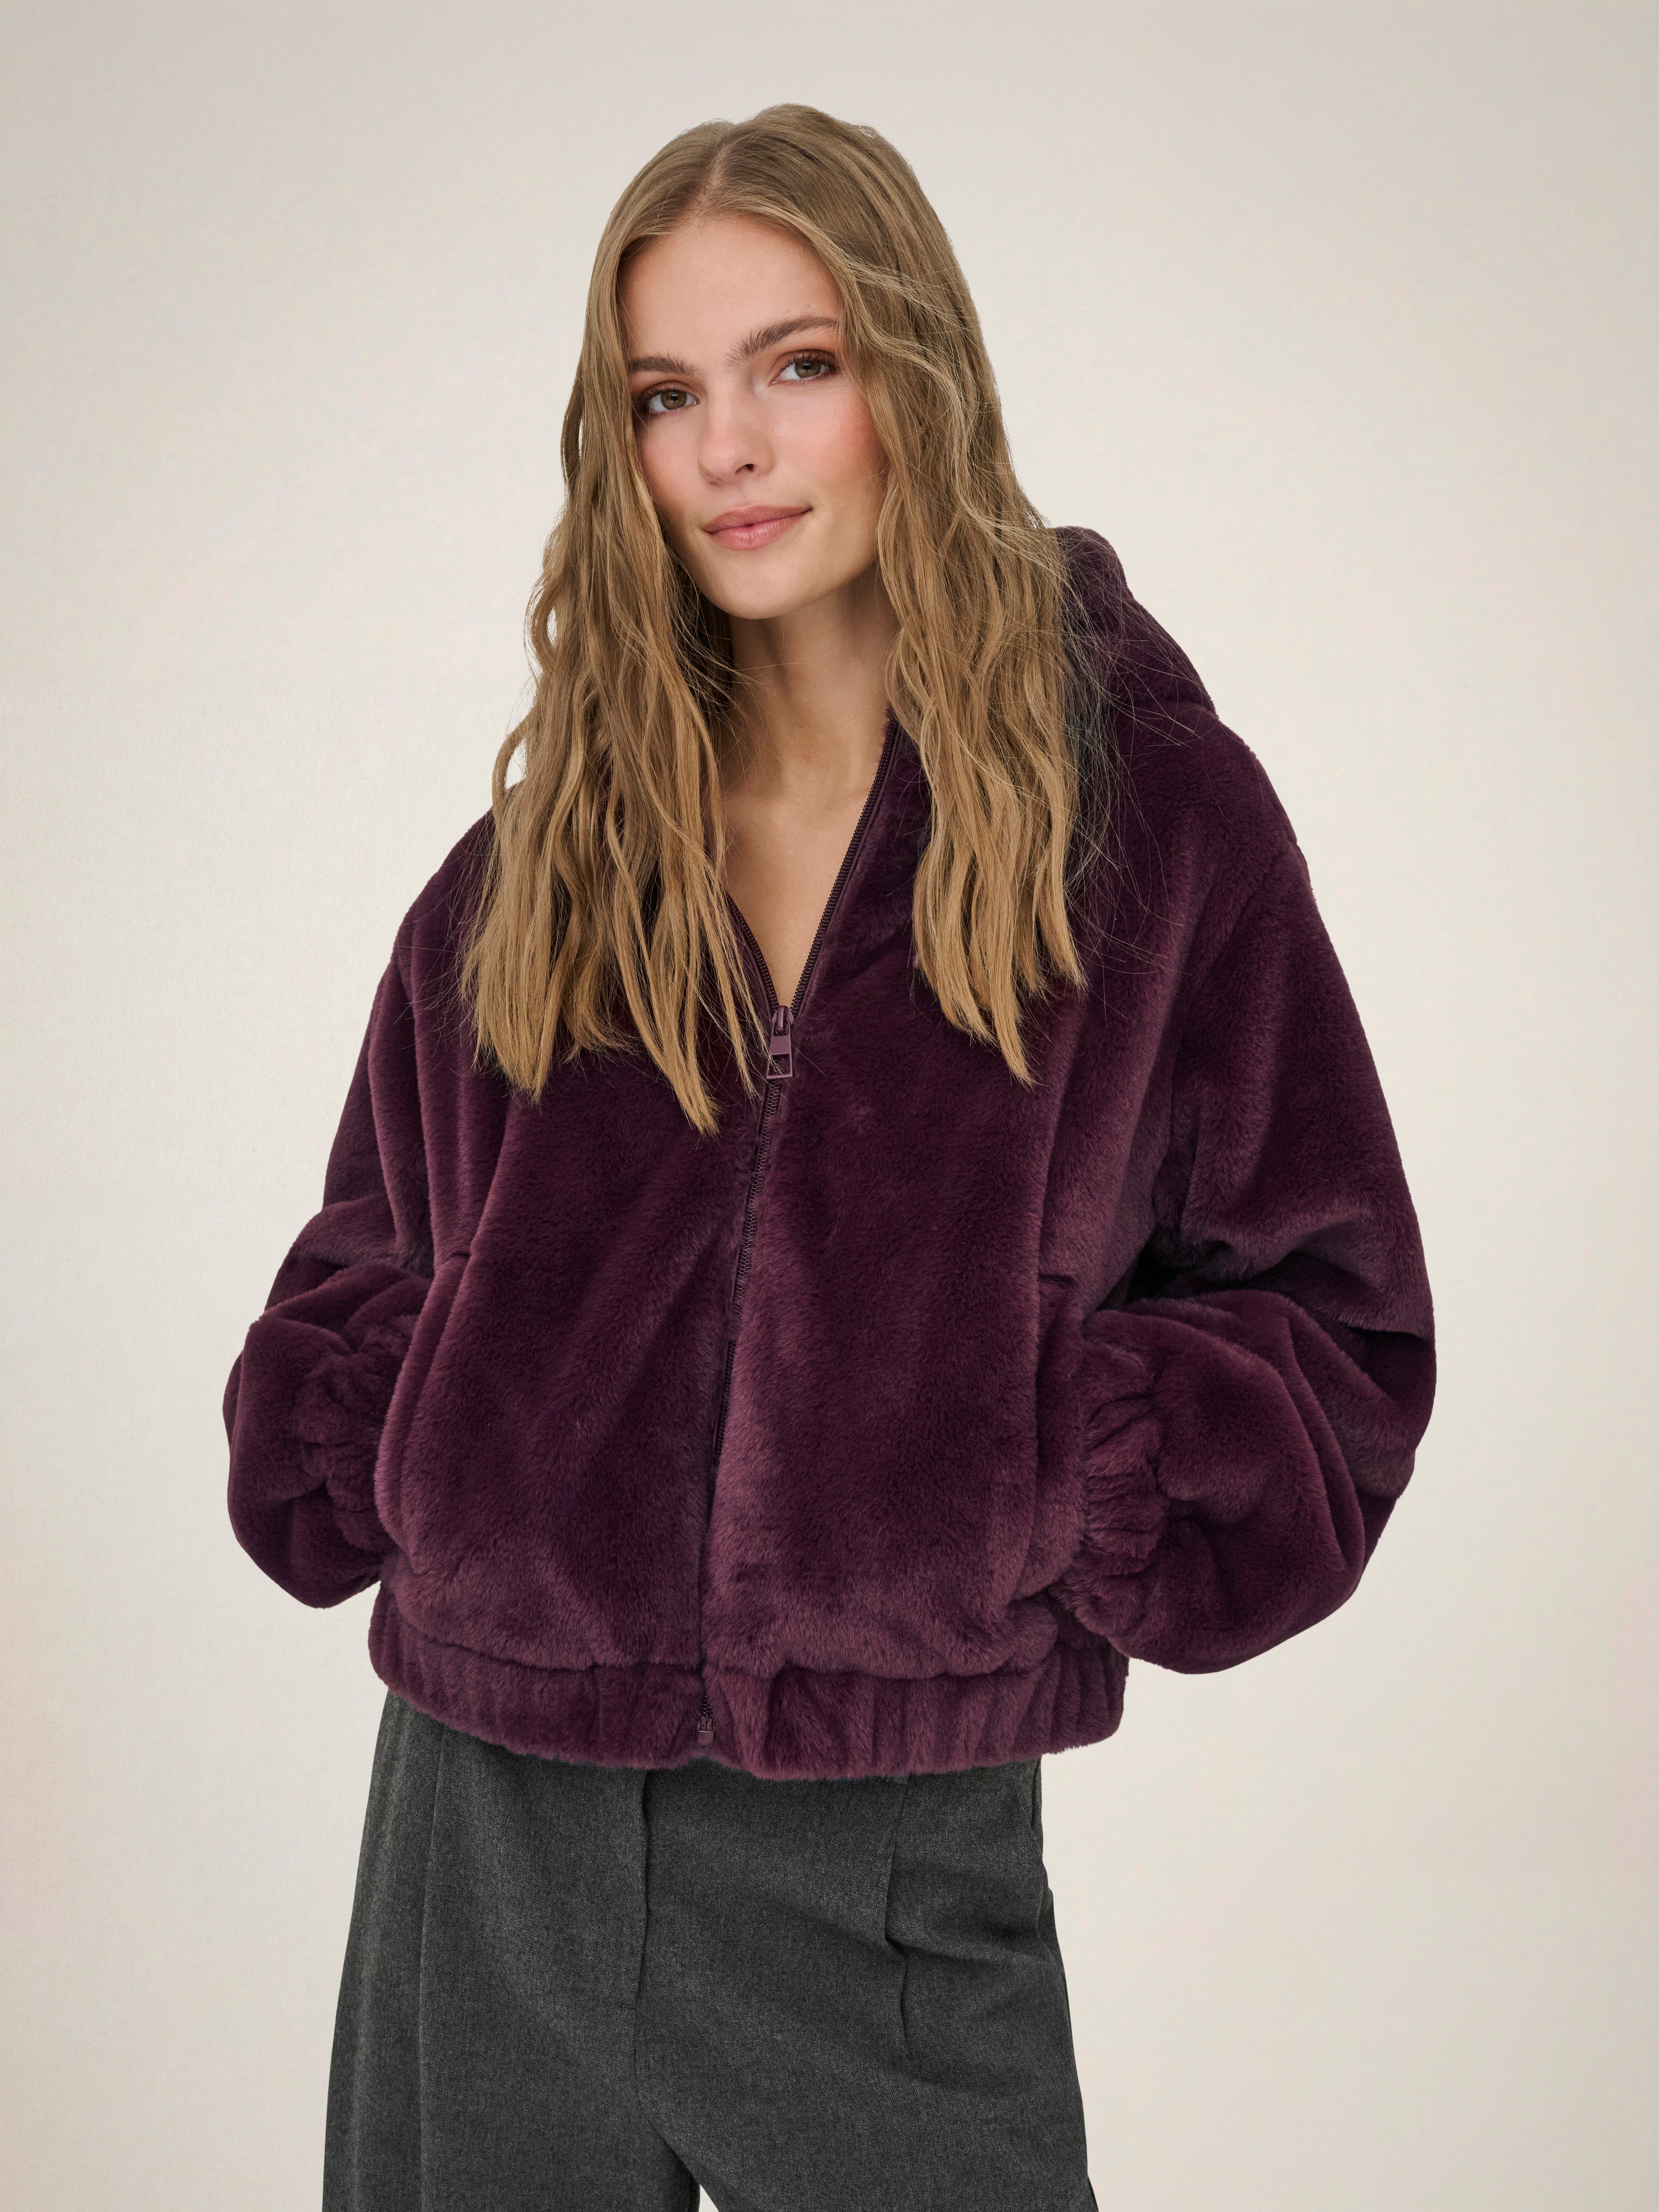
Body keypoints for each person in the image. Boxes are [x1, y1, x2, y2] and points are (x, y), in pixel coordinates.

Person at [224, 103, 1436, 2212]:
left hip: (884, 1877)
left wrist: (1049, 1466)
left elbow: (1337, 1326)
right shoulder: (535, 869)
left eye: (795, 365)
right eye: (663, 394)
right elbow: (361, 1273)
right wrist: (417, 1436)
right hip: (484, 1840)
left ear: (913, 376)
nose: (730, 448)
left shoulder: (1152, 835)